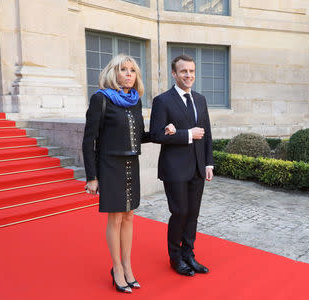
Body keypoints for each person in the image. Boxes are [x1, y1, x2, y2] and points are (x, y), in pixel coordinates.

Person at [82, 54, 175, 293]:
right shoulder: (100, 99)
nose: (129, 74)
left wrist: (161, 131)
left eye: (132, 71)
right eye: (124, 70)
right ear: (114, 73)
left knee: (130, 216)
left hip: (131, 164)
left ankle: (127, 265)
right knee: (115, 218)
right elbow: (89, 140)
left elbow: (138, 136)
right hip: (110, 165)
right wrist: (92, 177)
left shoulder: (134, 100)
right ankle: (117, 268)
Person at [150, 54, 214, 276]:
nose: (189, 75)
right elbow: (157, 135)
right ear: (174, 74)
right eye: (184, 71)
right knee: (179, 213)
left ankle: (189, 255)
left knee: (193, 214)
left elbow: (206, 134)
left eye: (192, 71)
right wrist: (187, 134)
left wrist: (208, 163)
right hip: (174, 168)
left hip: (197, 166)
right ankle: (175, 258)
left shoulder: (200, 99)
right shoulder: (162, 101)